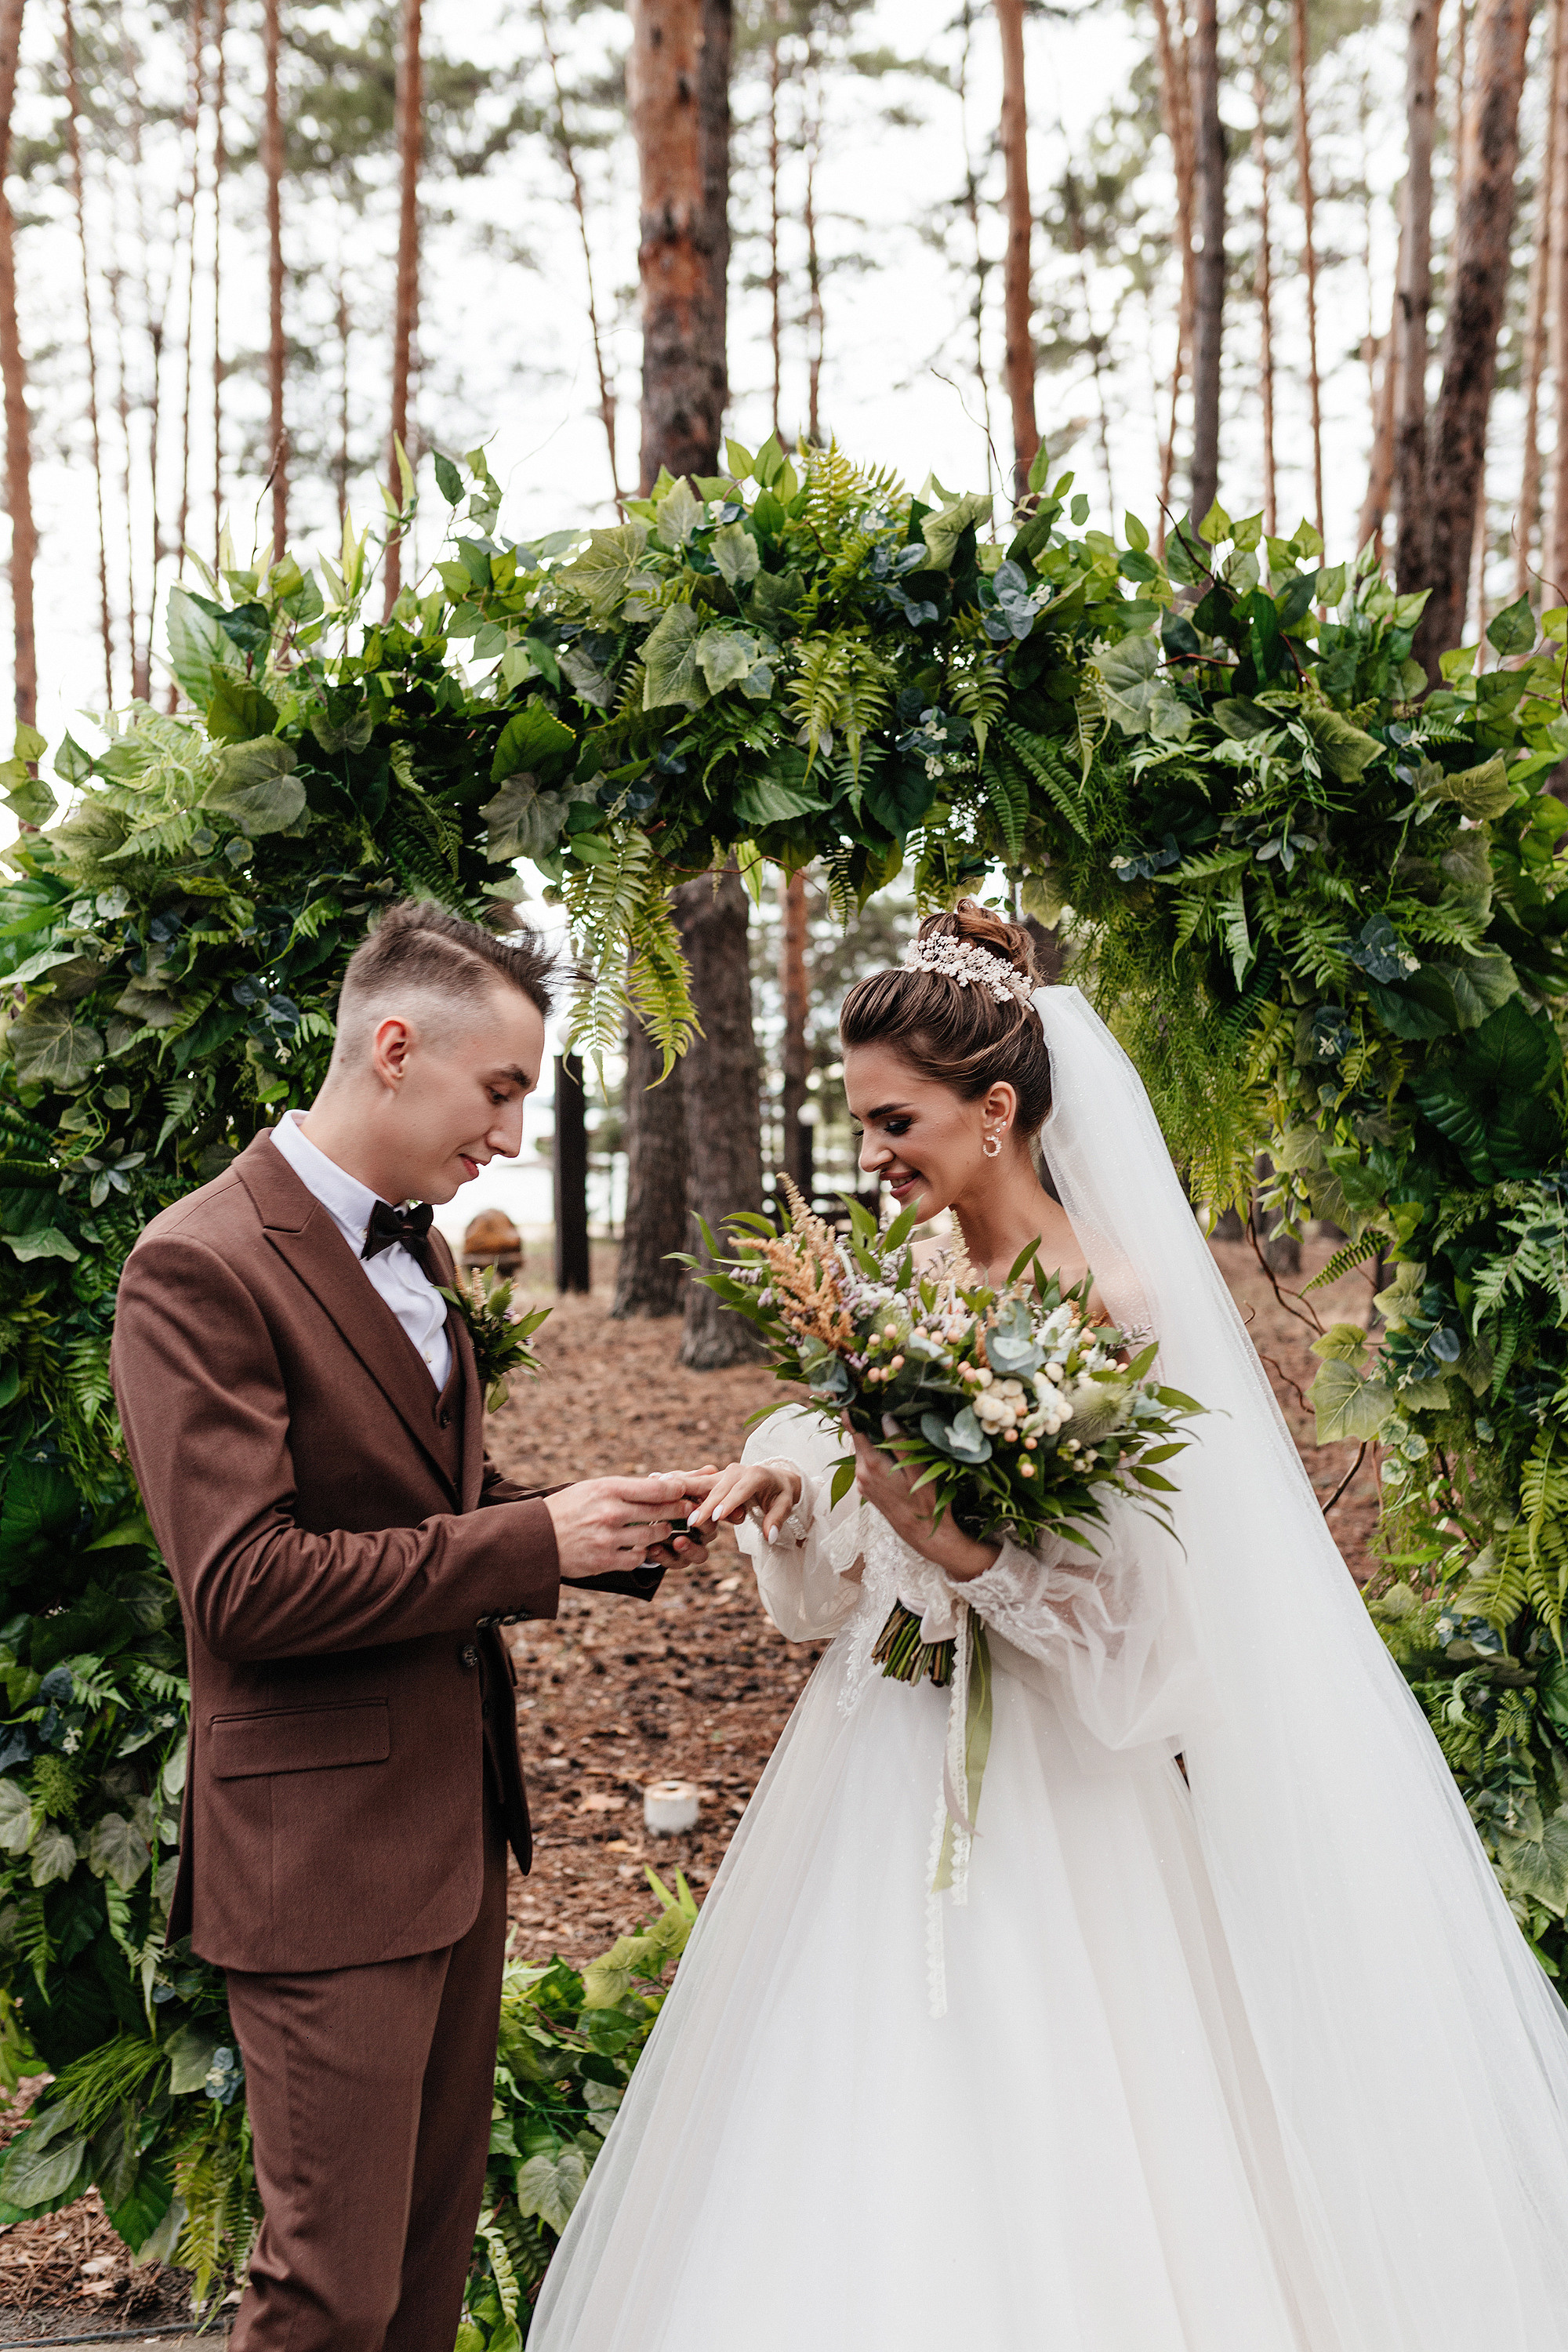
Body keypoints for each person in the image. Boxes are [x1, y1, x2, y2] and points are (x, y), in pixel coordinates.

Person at [529, 900, 1568, 2352]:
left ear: (997, 1108)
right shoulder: (910, 1282)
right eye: (865, 1123)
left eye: (896, 1122)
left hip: (1056, 1796)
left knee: (1071, 2118)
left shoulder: (1118, 1306)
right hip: (879, 1757)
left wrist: (947, 1538)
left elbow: (1143, 1631)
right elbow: (861, 1451)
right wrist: (791, 1471)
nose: (874, 1156)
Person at [110, 899, 713, 2352]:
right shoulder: (198, 1266)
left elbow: (415, 1500)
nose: (509, 1138)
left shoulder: (420, 1257)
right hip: (320, 1857)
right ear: (395, 1046)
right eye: (499, 1091)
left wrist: (607, 1527)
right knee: (330, 2295)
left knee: (425, 2280)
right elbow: (247, 1586)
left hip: (447, 1835)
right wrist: (526, 1540)